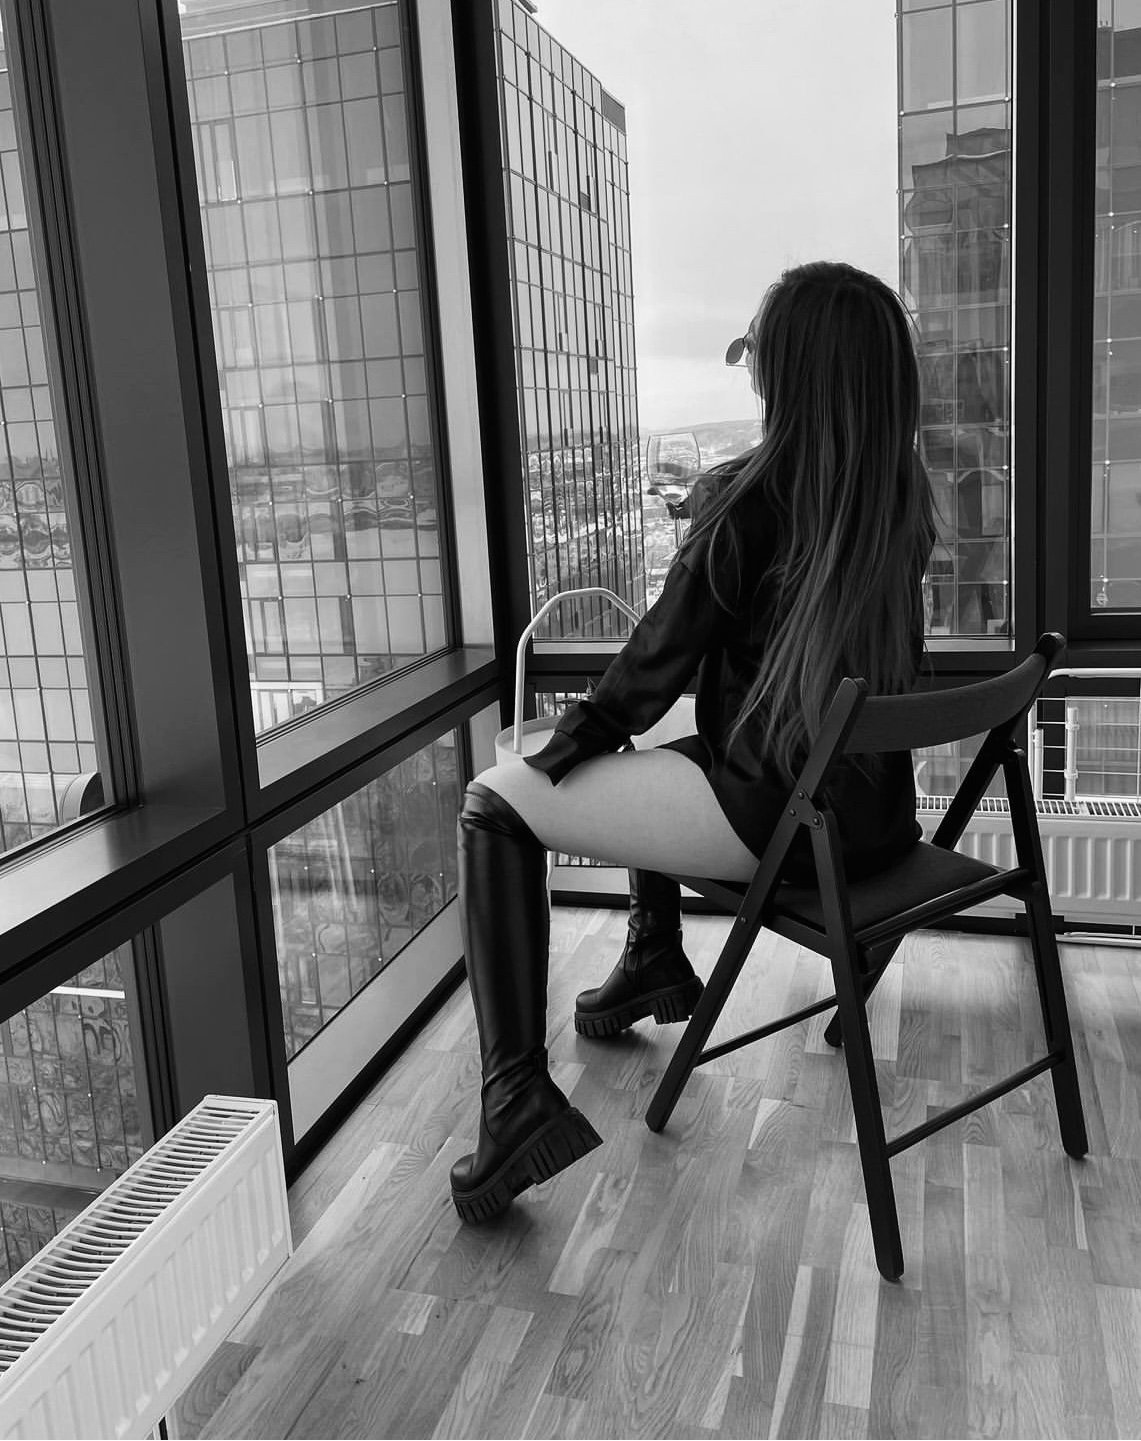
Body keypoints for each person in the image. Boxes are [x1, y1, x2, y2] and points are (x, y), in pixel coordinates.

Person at [450, 261, 937, 1224]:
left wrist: (558, 751)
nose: (749, 368)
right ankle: (652, 953)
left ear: (791, 372)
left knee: (490, 805)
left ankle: (513, 1103)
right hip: (869, 818)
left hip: (777, 822)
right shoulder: (897, 498)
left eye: (757, 351)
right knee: (661, 751)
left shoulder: (749, 500)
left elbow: (655, 659)